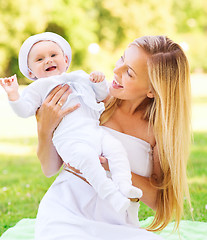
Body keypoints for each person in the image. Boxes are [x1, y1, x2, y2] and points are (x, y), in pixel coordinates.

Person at [32, 35, 191, 240]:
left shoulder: (159, 132)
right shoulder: (92, 98)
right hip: (65, 212)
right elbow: (49, 169)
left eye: (129, 73)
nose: (116, 71)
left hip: (119, 223)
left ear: (152, 89)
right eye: (122, 59)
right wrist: (44, 130)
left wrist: (114, 167)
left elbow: (160, 201)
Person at [0, 32, 143, 218]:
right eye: (39, 59)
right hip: (70, 140)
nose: (47, 61)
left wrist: (98, 81)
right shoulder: (38, 88)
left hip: (94, 131)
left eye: (53, 55)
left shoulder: (80, 77)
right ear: (30, 72)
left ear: (65, 59)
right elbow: (24, 110)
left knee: (116, 149)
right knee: (87, 160)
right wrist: (13, 95)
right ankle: (111, 195)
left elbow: (100, 95)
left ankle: (125, 186)